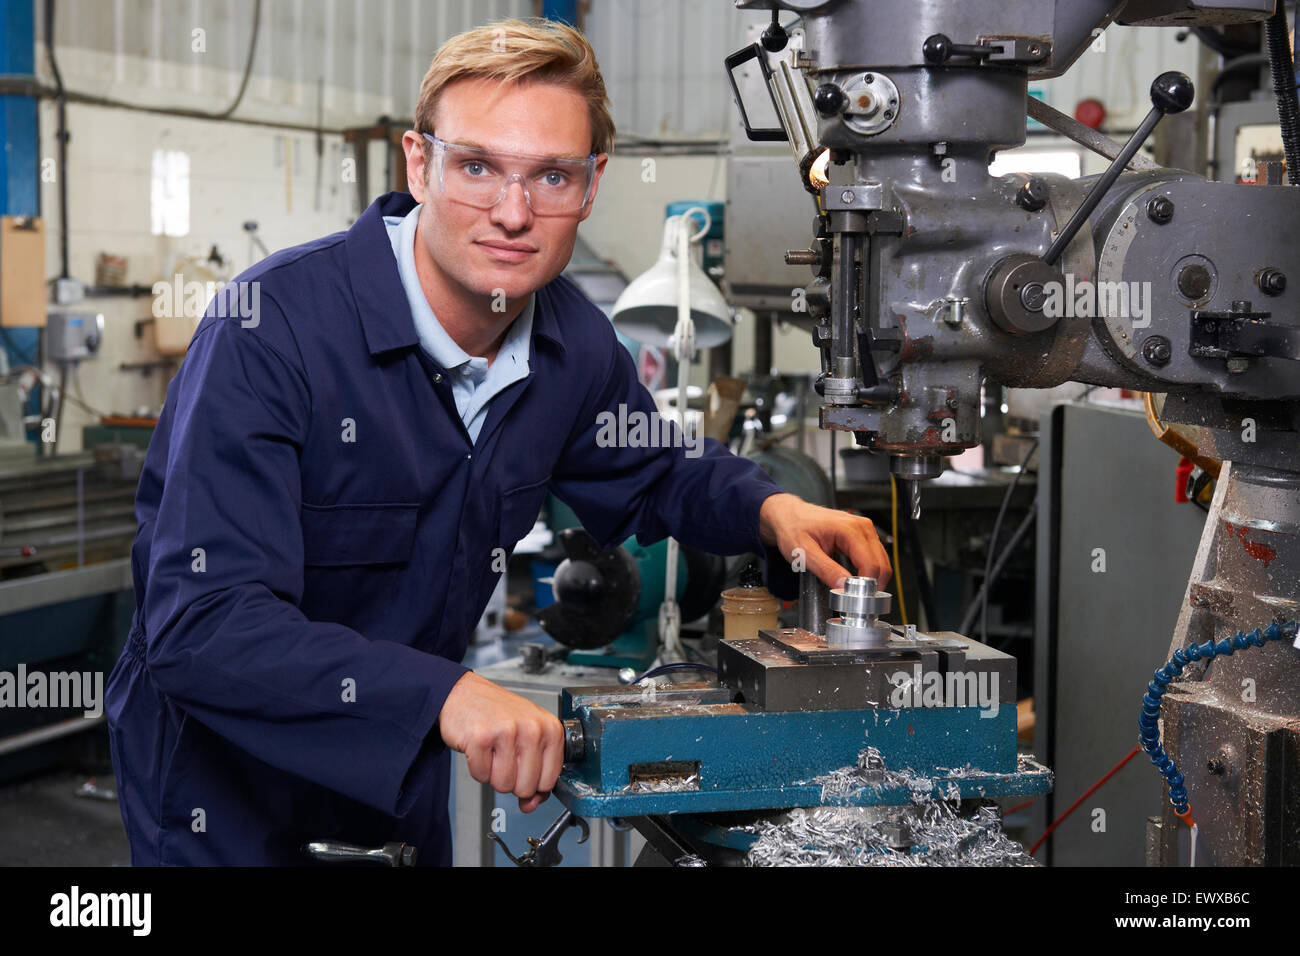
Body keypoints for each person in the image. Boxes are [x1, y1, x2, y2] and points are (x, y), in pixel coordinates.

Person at [106, 17, 890, 866]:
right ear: (420, 163)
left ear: (591, 186)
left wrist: (772, 506)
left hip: (396, 780)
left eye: (551, 175)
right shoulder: (271, 331)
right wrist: (446, 693)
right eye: (478, 166)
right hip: (224, 798)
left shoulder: (572, 344)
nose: (513, 214)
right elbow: (203, 623)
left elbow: (656, 468)